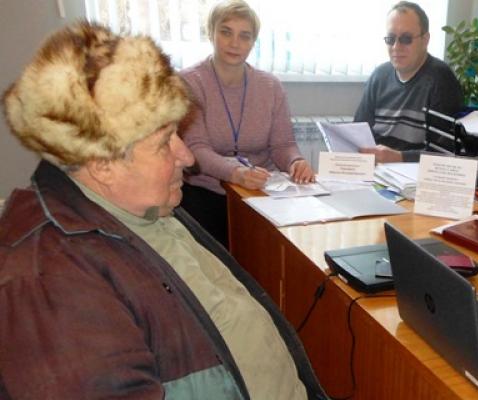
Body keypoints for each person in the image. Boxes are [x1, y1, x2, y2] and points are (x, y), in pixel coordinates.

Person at [0, 22, 325, 399]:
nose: (186, 156)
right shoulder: (48, 282)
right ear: (103, 164)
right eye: (164, 142)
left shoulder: (144, 208)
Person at [180, 0, 314, 248]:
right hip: (207, 193)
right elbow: (196, 149)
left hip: (261, 193)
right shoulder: (189, 82)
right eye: (226, 32)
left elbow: (283, 144)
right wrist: (236, 173)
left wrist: (295, 161)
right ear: (211, 33)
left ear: (253, 42)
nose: (235, 43)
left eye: (245, 36)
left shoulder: (270, 86)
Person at [354, 1, 464, 163]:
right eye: (390, 39)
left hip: (416, 172)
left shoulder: (441, 81)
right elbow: (358, 134)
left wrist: (399, 157)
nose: (396, 47)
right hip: (376, 169)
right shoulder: (379, 76)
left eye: (406, 39)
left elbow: (445, 152)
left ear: (425, 40)